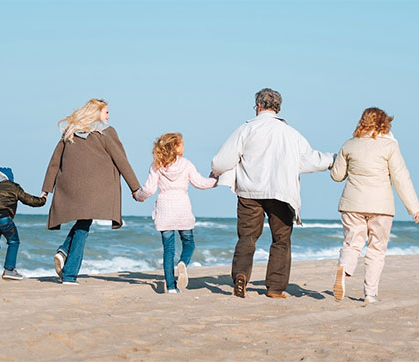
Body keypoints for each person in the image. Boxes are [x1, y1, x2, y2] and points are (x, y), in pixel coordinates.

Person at [211, 88, 334, 298]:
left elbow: (221, 161)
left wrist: (216, 172)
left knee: (247, 237)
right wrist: (334, 159)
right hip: (281, 192)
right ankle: (275, 288)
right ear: (278, 108)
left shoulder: (246, 129)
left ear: (258, 106)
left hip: (249, 192)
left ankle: (240, 276)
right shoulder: (291, 133)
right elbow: (311, 159)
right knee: (281, 239)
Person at [42, 98, 140, 284]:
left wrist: (46, 190)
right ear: (96, 113)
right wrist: (134, 188)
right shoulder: (106, 133)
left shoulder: (69, 133)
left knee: (82, 223)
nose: (109, 116)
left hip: (70, 188)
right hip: (94, 191)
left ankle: (63, 251)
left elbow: (54, 163)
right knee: (83, 228)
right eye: (106, 112)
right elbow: (121, 161)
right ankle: (69, 275)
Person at [330, 107, 419, 303]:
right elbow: (401, 178)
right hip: (381, 206)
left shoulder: (349, 145)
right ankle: (370, 294)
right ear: (384, 123)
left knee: (352, 243)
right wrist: (413, 207)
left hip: (352, 204)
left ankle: (344, 270)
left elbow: (336, 176)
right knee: (376, 249)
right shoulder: (389, 146)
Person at [134, 133, 217, 293]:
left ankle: (171, 287)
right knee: (189, 244)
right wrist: (216, 179)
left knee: (168, 250)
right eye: (182, 144)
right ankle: (183, 263)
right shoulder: (186, 164)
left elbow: (149, 189)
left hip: (165, 211)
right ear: (176, 147)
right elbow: (200, 183)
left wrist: (138, 196)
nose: (184, 146)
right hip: (182, 209)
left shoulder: (157, 165)